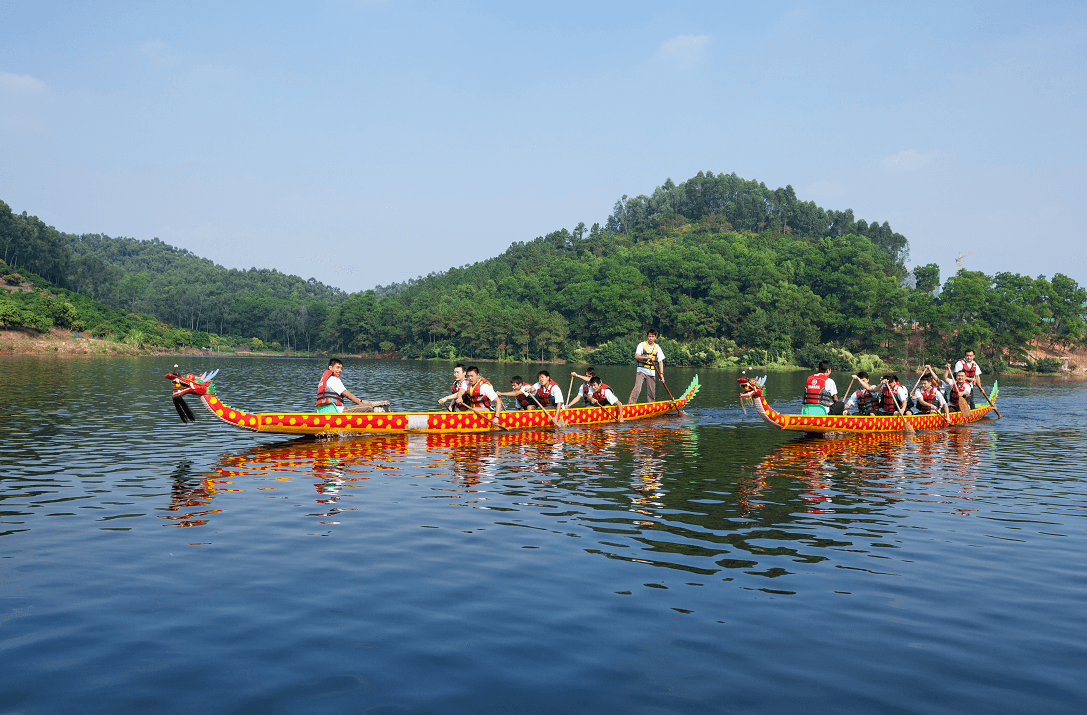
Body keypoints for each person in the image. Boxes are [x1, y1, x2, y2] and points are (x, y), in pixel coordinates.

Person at [316, 358, 389, 413]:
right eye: (337, 367)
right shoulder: (334, 379)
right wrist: (365, 405)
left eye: (341, 368)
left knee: (368, 405)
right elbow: (349, 396)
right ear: (330, 368)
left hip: (324, 412)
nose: (340, 370)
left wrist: (365, 402)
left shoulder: (326, 380)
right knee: (369, 407)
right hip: (336, 412)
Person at [629, 330, 665, 404]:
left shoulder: (657, 347)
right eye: (649, 336)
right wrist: (646, 357)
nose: (650, 338)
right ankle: (630, 404)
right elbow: (637, 356)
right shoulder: (641, 345)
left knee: (651, 391)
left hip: (651, 372)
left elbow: (660, 362)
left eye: (652, 336)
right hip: (641, 371)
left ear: (655, 337)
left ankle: (651, 405)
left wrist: (661, 374)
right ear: (647, 336)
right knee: (637, 388)